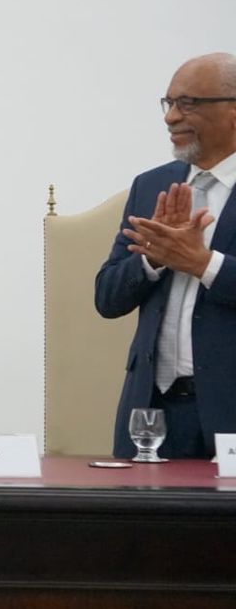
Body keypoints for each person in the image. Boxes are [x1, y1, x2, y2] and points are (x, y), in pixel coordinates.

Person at [95, 52, 236, 459]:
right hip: (153, 416)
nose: (171, 117)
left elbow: (203, 265)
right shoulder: (151, 185)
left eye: (188, 103)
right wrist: (153, 259)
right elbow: (107, 298)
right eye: (169, 103)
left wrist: (203, 264)